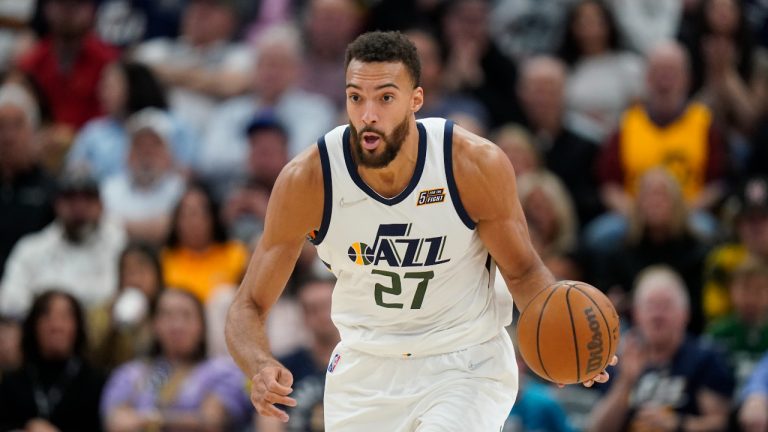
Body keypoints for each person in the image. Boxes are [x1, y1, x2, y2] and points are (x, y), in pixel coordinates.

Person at [225, 31, 614, 431]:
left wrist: (567, 339)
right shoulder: (308, 180)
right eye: (356, 97)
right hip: (365, 367)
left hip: (465, 361)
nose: (368, 114)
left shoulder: (470, 164)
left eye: (385, 97)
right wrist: (259, 364)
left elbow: (523, 271)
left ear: (416, 100)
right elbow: (248, 304)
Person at [589, 266, 734, 432]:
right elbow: (598, 428)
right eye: (650, 306)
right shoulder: (622, 358)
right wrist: (625, 382)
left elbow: (720, 424)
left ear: (685, 313)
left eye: (666, 306)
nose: (657, 315)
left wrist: (677, 424)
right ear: (637, 314)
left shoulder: (704, 358)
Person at [0, 290, 106, 431]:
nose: (56, 326)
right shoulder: (11, 383)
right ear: (34, 326)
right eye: (46, 316)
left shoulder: (97, 383)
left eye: (65, 317)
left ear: (78, 326)